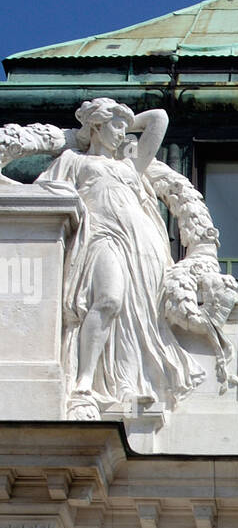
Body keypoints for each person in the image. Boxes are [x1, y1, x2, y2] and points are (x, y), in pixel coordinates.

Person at [37, 98, 204, 411]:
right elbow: (42, 197)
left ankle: (127, 384)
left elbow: (159, 119)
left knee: (136, 316)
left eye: (126, 129)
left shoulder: (128, 164)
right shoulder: (73, 160)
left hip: (141, 245)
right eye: (116, 127)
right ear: (97, 126)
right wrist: (80, 133)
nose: (124, 134)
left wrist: (123, 119)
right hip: (101, 236)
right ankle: (84, 381)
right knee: (109, 300)